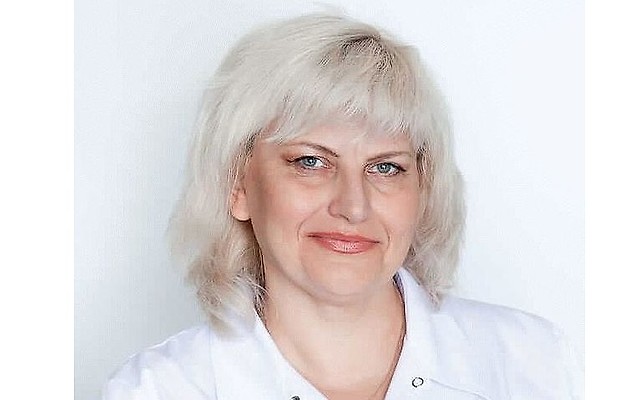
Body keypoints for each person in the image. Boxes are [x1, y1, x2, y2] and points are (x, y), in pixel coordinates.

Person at [103, 13, 582, 400]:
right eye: (311, 162)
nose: (354, 206)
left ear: (424, 191)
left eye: (386, 167)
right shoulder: (157, 390)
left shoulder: (533, 364)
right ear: (237, 185)